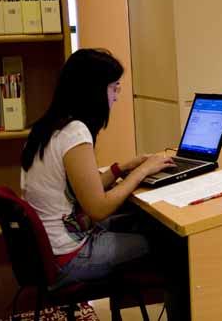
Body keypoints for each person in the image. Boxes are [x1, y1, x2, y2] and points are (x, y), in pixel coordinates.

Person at [20, 49, 180, 307]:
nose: (116, 97)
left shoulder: (46, 128)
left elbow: (83, 191)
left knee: (138, 222)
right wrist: (142, 171)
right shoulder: (75, 133)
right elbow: (97, 208)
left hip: (52, 249)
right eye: (114, 88)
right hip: (69, 258)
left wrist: (120, 170)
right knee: (169, 242)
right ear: (94, 90)